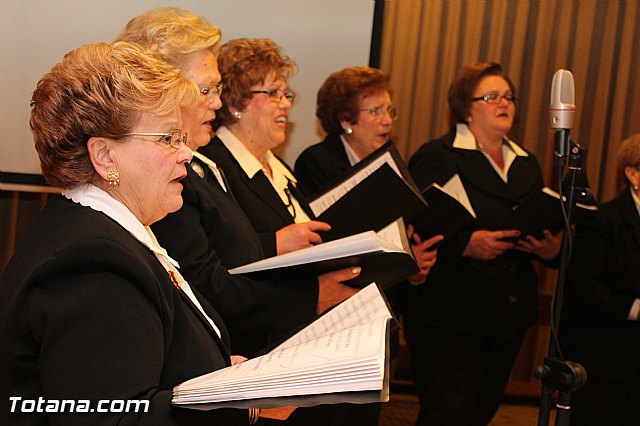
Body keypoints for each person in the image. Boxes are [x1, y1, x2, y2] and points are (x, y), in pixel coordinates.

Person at [0, 41, 286, 425]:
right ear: (104, 156)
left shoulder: (105, 230)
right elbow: (111, 417)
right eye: (168, 138)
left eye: (181, 138)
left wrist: (219, 369)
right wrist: (241, 405)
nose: (185, 153)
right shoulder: (93, 262)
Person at [115, 7, 358, 358]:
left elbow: (229, 259)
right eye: (207, 89)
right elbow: (204, 289)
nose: (218, 101)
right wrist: (310, 296)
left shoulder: (202, 168)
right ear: (160, 88)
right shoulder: (161, 178)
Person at [406, 61, 562, 425]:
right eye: (491, 96)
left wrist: (550, 250)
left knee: (480, 415)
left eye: (508, 96)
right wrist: (465, 244)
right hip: (449, 313)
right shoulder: (439, 155)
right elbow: (413, 225)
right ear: (465, 105)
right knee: (448, 416)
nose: (503, 103)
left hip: (507, 313)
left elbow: (540, 219)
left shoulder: (525, 161)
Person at [294, 66, 443, 282]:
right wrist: (401, 263)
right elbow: (329, 245)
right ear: (346, 120)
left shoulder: (391, 163)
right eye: (375, 111)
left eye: (390, 111)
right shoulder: (317, 162)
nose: (388, 121)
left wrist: (414, 268)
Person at [559, 134, 640, 426]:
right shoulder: (604, 220)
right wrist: (635, 308)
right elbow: (581, 285)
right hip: (606, 360)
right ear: (633, 173)